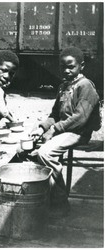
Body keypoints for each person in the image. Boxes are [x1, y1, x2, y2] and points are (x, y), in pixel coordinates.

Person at [30, 47, 101, 217]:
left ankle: (60, 201)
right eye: (63, 67)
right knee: (29, 150)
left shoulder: (85, 86)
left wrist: (54, 129)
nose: (66, 70)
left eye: (71, 66)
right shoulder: (63, 86)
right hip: (63, 131)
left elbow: (80, 118)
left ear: (81, 66)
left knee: (45, 153)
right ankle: (44, 198)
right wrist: (42, 127)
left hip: (78, 133)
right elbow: (55, 114)